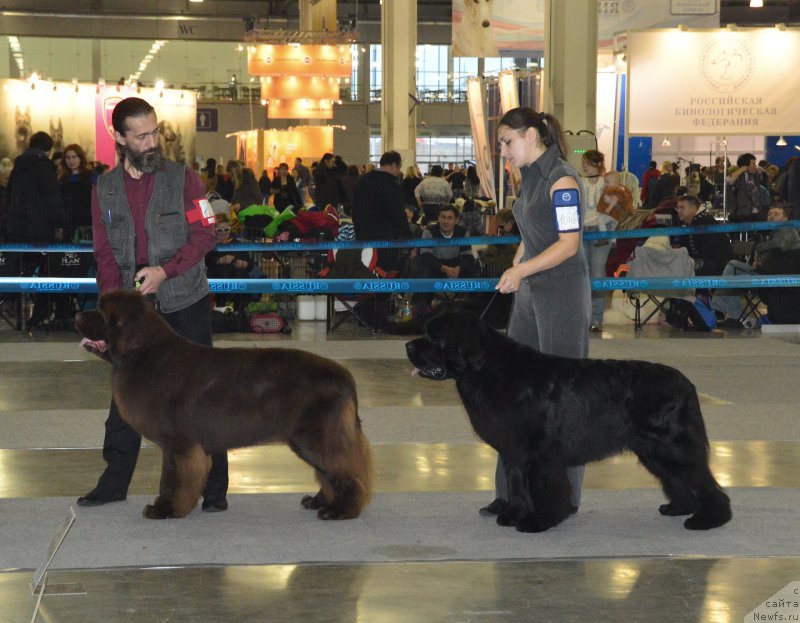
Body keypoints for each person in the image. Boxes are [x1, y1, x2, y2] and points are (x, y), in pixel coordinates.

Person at [78, 97, 229, 512]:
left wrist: (166, 271)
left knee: (204, 395)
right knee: (125, 396)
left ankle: (215, 488)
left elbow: (206, 235)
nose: (151, 142)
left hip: (185, 300)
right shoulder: (103, 189)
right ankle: (114, 482)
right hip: (132, 311)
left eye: (155, 132)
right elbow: (105, 255)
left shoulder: (186, 180)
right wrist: (111, 314)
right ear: (119, 137)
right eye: (141, 136)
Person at [487, 106, 590, 519]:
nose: (503, 151)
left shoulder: (562, 179)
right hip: (531, 293)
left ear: (530, 135)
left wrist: (522, 269)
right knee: (514, 390)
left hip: (561, 294)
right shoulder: (528, 177)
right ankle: (512, 492)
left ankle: (563, 496)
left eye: (507, 142)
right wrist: (519, 260)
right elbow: (534, 231)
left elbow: (569, 243)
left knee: (562, 397)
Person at [712, 202, 800, 327]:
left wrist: (759, 248)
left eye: (776, 214)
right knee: (732, 266)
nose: (771, 217)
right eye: (769, 214)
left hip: (775, 281)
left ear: (785, 218)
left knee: (732, 268)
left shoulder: (788, 229)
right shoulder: (774, 233)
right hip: (766, 274)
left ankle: (725, 312)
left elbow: (781, 244)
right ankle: (729, 314)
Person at [351, 150, 411, 275]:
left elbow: (355, 210)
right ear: (393, 166)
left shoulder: (361, 181)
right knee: (384, 274)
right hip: (386, 240)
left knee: (366, 273)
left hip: (363, 238)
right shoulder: (391, 185)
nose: (399, 171)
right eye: (399, 167)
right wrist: (409, 239)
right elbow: (398, 215)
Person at [6, 130, 63, 244]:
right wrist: (58, 223)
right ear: (48, 150)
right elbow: (52, 197)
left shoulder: (18, 165)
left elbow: (9, 192)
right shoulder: (45, 166)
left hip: (16, 225)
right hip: (39, 227)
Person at [580, 150, 614, 332]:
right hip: (581, 231)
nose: (584, 166)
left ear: (598, 164)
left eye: (588, 162)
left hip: (602, 231)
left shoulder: (607, 182)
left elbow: (619, 204)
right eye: (583, 162)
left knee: (598, 273)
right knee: (583, 274)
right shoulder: (578, 181)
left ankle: (597, 319)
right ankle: (584, 318)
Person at [675, 194, 734, 276]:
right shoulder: (694, 222)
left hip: (717, 267)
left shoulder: (704, 222)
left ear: (693, 208)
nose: (679, 211)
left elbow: (709, 252)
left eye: (682, 207)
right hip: (711, 264)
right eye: (677, 208)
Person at [60, 143, 98, 242]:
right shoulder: (62, 179)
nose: (71, 161)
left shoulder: (92, 177)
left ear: (80, 158)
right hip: (69, 224)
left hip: (88, 224)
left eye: (74, 157)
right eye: (68, 158)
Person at [726, 153, 765, 222]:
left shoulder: (754, 176)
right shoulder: (738, 176)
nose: (755, 166)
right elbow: (728, 181)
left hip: (755, 212)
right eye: (753, 163)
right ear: (745, 165)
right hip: (741, 213)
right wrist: (741, 169)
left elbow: (762, 175)